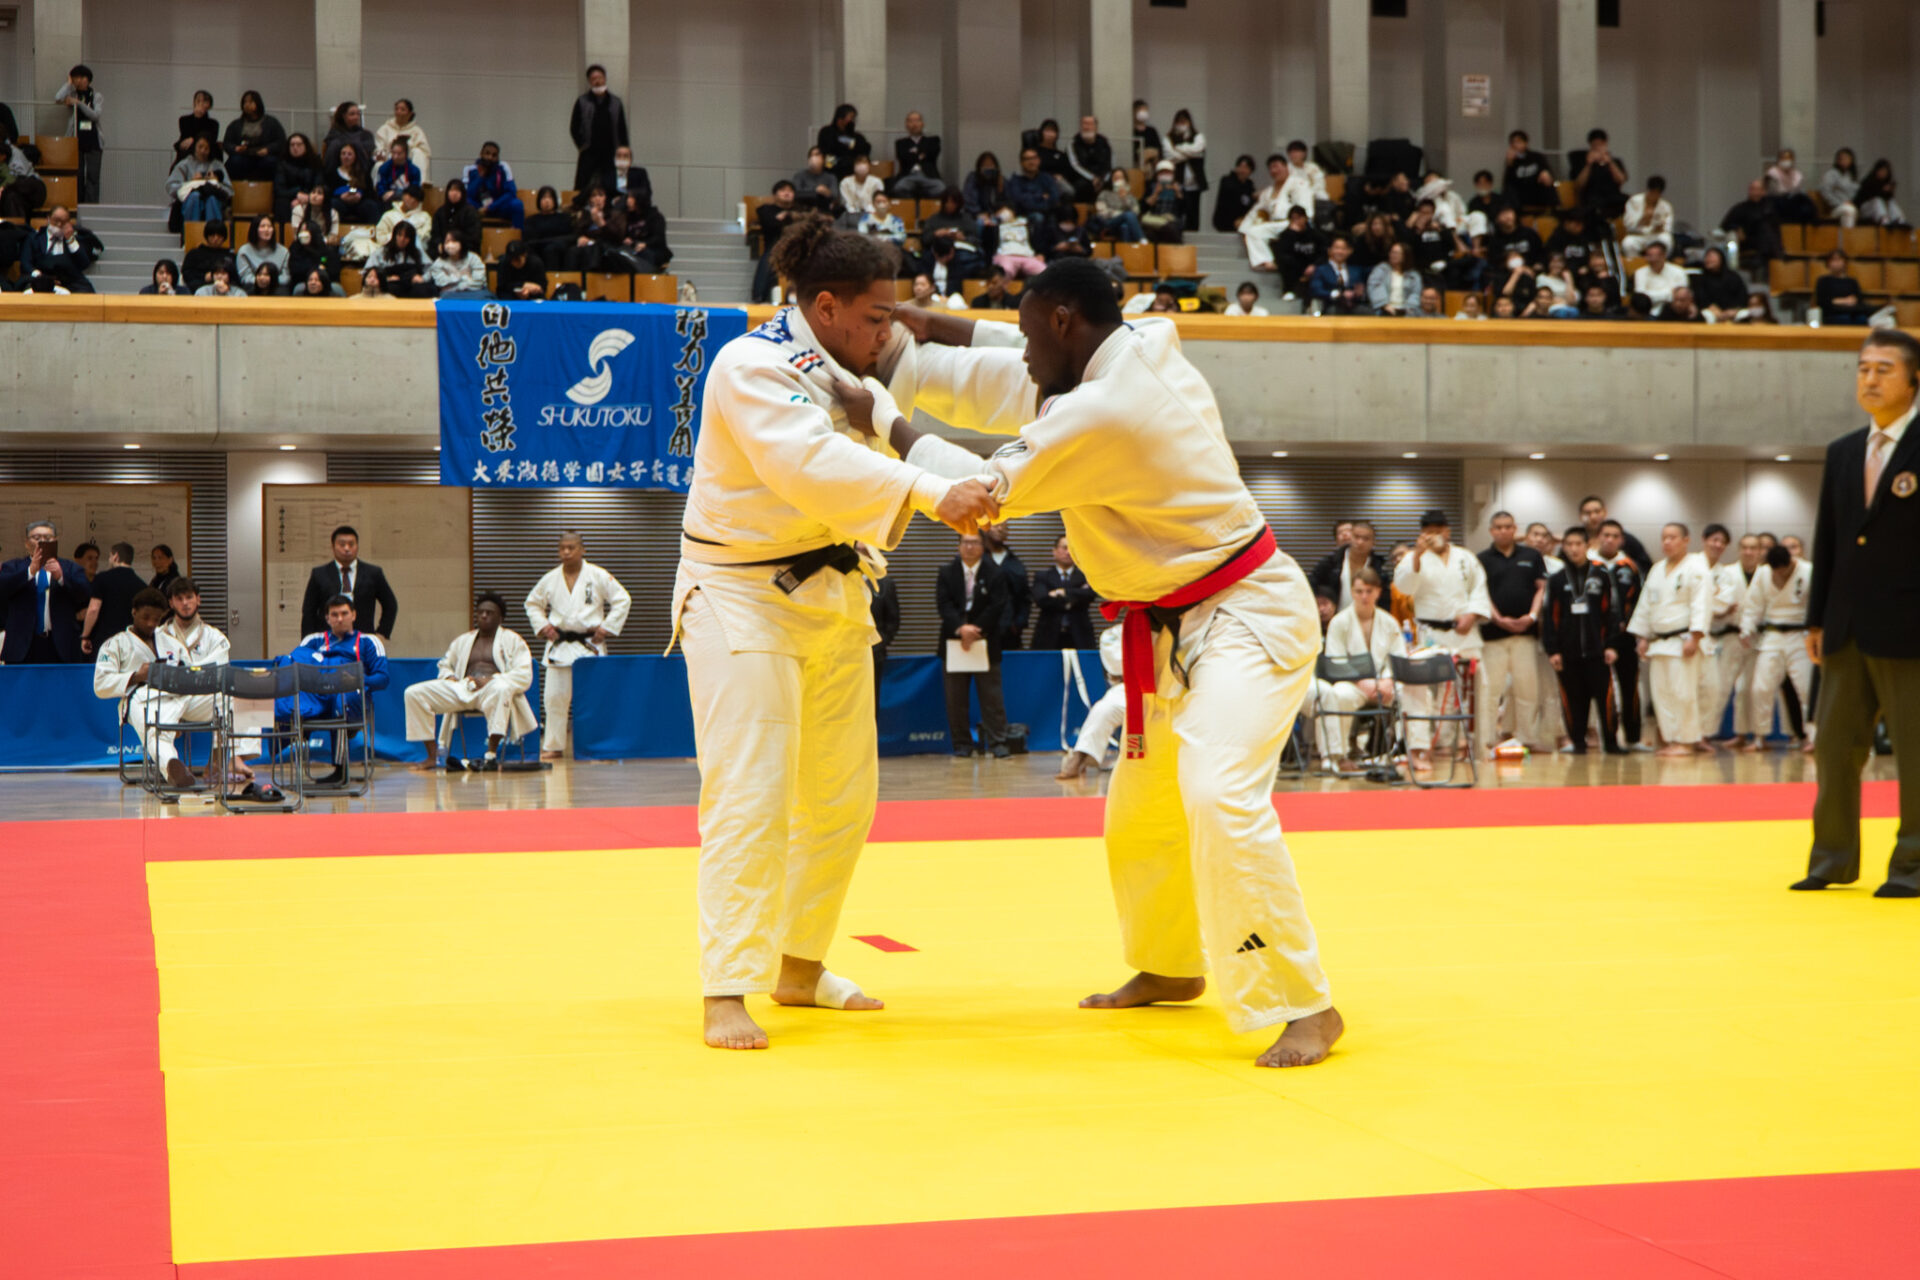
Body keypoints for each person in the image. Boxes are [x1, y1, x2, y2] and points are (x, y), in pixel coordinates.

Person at [851, 257, 1345, 1068]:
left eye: (1029, 335)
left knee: (1218, 793)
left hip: (1243, 616)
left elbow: (978, 493)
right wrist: (937, 329)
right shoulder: (1136, 342)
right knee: (1142, 811)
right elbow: (1004, 363)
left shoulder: (1105, 410)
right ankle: (1170, 963)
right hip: (1171, 628)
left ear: (1062, 324)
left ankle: (1305, 1004)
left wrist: (881, 418)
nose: (1021, 355)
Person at [672, 214, 999, 1052]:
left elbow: (901, 443)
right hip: (740, 596)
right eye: (876, 316)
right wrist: (930, 494)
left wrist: (993, 483)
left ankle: (799, 965)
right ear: (825, 307)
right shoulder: (749, 366)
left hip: (830, 593)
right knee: (750, 792)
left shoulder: (851, 375)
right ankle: (725, 987)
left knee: (843, 799)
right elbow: (810, 466)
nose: (888, 332)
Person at [1798, 331, 1920, 896]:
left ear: (1914, 379)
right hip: (1846, 625)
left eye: (1883, 369)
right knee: (1834, 747)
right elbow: (1829, 538)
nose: (1870, 379)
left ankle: (1912, 865)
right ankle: (1832, 860)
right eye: (1863, 369)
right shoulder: (1844, 450)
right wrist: (1817, 617)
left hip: (1910, 626)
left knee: (1915, 753)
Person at [1393, 508, 1492, 769]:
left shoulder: (1465, 558)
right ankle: (1427, 745)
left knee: (1475, 689)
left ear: (1447, 531)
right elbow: (1404, 586)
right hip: (1431, 635)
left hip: (1464, 633)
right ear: (1421, 533)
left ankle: (1471, 743)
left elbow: (1479, 589)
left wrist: (1472, 614)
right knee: (1428, 693)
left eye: (1438, 530)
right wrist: (1416, 555)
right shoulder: (1413, 557)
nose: (1434, 536)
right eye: (1428, 531)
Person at [523, 530, 629, 762]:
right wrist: (543, 626)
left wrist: (607, 627)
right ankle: (554, 745)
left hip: (589, 645)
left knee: (596, 699)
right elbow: (532, 603)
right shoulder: (551, 578)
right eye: (562, 548)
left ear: (582, 549)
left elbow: (622, 599)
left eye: (571, 548)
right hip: (560, 645)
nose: (566, 552)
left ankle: (598, 745)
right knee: (554, 699)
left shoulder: (597, 575)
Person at [404, 592, 537, 771]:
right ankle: (431, 756)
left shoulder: (513, 640)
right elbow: (445, 664)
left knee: (502, 687)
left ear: (500, 618)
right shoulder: (463, 640)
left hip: (492, 690)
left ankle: (491, 755)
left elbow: (524, 674)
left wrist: (491, 679)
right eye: (480, 612)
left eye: (489, 613)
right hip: (463, 688)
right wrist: (449, 676)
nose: (484, 616)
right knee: (413, 693)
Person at [1627, 522, 1713, 756]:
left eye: (1672, 537)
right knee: (1662, 694)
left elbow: (1701, 603)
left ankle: (1686, 740)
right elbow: (1646, 605)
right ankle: (1671, 738)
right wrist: (1642, 637)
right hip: (1659, 642)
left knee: (1683, 693)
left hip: (1683, 639)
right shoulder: (1657, 569)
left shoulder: (1697, 567)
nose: (1667, 542)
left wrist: (1695, 636)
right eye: (1664, 538)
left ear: (1686, 540)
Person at [1539, 526, 1624, 754]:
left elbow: (1612, 612)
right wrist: (1553, 650)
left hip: (1598, 651)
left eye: (1578, 544)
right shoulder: (1557, 579)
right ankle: (1578, 742)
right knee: (1573, 700)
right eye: (1569, 544)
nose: (1573, 549)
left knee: (1606, 699)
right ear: (1563, 547)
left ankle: (1611, 743)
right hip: (1568, 652)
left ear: (1587, 546)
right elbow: (1550, 617)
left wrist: (1612, 645)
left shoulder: (1601, 575)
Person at [1311, 567, 1404, 770]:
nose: (1364, 596)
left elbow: (1398, 658)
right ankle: (1337, 755)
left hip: (1385, 684)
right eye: (1359, 591)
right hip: (1353, 684)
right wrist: (1362, 681)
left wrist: (1387, 681)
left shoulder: (1389, 622)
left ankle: (1414, 751)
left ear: (1378, 592)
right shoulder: (1339, 622)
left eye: (1369, 591)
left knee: (1413, 690)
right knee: (1337, 694)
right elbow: (1336, 661)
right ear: (1352, 592)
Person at [1477, 511, 1548, 753]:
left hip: (1525, 634)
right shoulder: (1482, 559)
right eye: (1498, 527)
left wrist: (1532, 616)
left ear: (1515, 529)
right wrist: (1498, 618)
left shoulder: (1532, 555)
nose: (1503, 531)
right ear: (1491, 531)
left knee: (1528, 689)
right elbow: (1480, 593)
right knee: (1491, 690)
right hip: (1493, 635)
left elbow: (1541, 588)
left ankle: (1528, 738)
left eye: (1508, 526)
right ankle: (1487, 739)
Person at [937, 531, 1013, 758]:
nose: (969, 547)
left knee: (992, 697)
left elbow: (997, 605)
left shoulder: (996, 573)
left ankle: (998, 742)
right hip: (954, 641)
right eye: (965, 542)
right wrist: (961, 628)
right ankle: (962, 744)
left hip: (986, 641)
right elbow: (943, 605)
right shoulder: (946, 572)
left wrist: (976, 629)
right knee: (956, 699)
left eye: (974, 542)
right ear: (958, 546)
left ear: (983, 546)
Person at [1739, 544, 1814, 754]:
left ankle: (1813, 736)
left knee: (1805, 689)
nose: (1779, 574)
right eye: (1776, 571)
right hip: (1772, 636)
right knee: (1760, 688)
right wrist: (1746, 629)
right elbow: (1753, 605)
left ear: (1791, 562)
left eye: (1783, 570)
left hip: (1800, 635)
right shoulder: (1763, 573)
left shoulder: (1808, 571)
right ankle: (1760, 737)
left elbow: (1817, 604)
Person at [0, 519, 90, 663]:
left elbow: (85, 594)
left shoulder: (70, 568)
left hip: (61, 643)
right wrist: (30, 571)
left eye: (47, 538)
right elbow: (3, 588)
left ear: (55, 541)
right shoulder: (13, 566)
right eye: (36, 538)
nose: (42, 542)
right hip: (22, 644)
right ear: (26, 543)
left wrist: (61, 577)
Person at [299, 525, 396, 640]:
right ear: (333, 547)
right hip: (327, 640)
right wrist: (308, 641)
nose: (346, 548)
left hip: (363, 638)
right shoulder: (319, 574)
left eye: (351, 544)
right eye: (342, 544)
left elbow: (390, 605)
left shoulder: (373, 573)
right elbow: (308, 611)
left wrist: (381, 635)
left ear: (357, 546)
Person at [1241, 154, 1316, 271]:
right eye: (1271, 168)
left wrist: (1301, 222)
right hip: (1276, 225)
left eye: (1276, 166)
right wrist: (1243, 228)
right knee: (1252, 231)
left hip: (1294, 222)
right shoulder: (1268, 191)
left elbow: (1305, 207)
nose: (1274, 171)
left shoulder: (1299, 183)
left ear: (1286, 167)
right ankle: (1266, 262)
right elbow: (1255, 211)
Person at [569, 64, 630, 192]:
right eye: (593, 79)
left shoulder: (616, 102)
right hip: (589, 151)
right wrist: (582, 146)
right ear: (589, 81)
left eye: (600, 78)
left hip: (612, 151)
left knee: (617, 186)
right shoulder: (582, 101)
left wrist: (623, 150)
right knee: (582, 186)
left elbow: (622, 129)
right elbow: (574, 127)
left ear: (605, 79)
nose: (597, 81)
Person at [78, 541, 145, 658]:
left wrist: (85, 635)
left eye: (110, 556)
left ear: (115, 556)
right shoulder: (142, 585)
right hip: (130, 641)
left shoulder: (102, 578)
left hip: (104, 640)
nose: (109, 560)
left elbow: (93, 609)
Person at [1030, 534, 1096, 649]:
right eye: (1065, 548)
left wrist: (1062, 592)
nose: (1068, 552)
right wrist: (1073, 598)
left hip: (1080, 635)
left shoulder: (1086, 576)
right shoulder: (1043, 576)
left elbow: (1090, 595)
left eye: (1072, 549)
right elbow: (1041, 599)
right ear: (1054, 551)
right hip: (1048, 635)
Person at [1308, 519, 1387, 611]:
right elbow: (1311, 584)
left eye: (1366, 539)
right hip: (1336, 615)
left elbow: (1385, 600)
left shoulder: (1379, 568)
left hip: (1368, 616)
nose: (1360, 542)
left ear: (1373, 542)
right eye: (1356, 537)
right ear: (1351, 537)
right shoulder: (1331, 562)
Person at [53, 65, 102, 204]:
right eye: (75, 78)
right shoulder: (72, 94)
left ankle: (91, 206)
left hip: (93, 140)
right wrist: (68, 84)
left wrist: (78, 103)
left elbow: (95, 115)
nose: (79, 81)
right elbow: (57, 98)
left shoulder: (96, 96)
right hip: (76, 139)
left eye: (81, 77)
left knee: (93, 176)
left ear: (88, 79)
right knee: (77, 175)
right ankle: (78, 204)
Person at [979, 520, 1030, 650]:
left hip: (1009, 632)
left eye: (1005, 527)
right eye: (997, 525)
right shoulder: (977, 559)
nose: (1000, 529)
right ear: (985, 528)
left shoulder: (1015, 562)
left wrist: (1018, 624)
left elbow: (1024, 597)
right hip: (980, 630)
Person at [21, 206, 96, 293]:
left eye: (64, 222)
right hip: (41, 279)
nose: (59, 224)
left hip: (68, 281)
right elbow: (25, 263)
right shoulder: (34, 238)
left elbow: (84, 263)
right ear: (48, 219)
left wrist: (70, 240)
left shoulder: (74, 239)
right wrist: (39, 275)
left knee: (86, 291)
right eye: (56, 220)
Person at [222, 90, 285, 182]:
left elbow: (281, 141)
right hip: (243, 156)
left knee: (271, 162)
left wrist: (268, 149)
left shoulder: (271, 122)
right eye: (245, 102)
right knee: (234, 161)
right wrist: (236, 148)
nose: (247, 105)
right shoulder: (236, 124)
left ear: (258, 103)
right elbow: (227, 143)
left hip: (264, 156)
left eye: (250, 102)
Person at [1578, 495, 1651, 574]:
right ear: (1580, 516)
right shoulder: (1576, 539)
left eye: (1597, 511)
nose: (1593, 516)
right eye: (1588, 513)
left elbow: (1645, 566)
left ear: (1604, 512)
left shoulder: (1626, 539)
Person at [1162, 109, 1207, 231]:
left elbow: (1198, 150)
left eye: (1184, 121)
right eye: (1179, 122)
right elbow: (1170, 156)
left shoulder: (1198, 136)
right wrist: (1190, 153)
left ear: (1189, 122)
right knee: (1177, 213)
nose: (1181, 124)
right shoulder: (1169, 138)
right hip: (1177, 183)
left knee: (1193, 214)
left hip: (1194, 184)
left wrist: (1179, 148)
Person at [1722, 179, 1784, 266]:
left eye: (1757, 189)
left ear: (1763, 192)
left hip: (1767, 242)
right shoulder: (1740, 208)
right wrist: (1736, 229)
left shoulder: (1770, 209)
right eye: (1752, 189)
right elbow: (1725, 225)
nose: (1755, 192)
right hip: (1748, 241)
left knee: (1766, 230)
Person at [463, 142, 525, 229]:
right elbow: (468, 195)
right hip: (478, 208)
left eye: (494, 155)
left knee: (517, 204)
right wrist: (480, 178)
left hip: (498, 206)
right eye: (487, 153)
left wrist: (490, 207)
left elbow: (511, 192)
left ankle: (517, 235)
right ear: (481, 154)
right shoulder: (469, 169)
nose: (490, 157)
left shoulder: (503, 167)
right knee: (463, 203)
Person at [1571, 127, 1628, 218]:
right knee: (1595, 206)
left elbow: (1621, 180)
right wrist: (1589, 165)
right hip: (1592, 197)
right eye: (1595, 145)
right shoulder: (1582, 162)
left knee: (1630, 201)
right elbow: (1578, 184)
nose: (1598, 148)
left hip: (1613, 196)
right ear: (1590, 146)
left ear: (1606, 144)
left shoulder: (1615, 161)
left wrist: (1610, 163)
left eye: (1601, 145)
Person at [1309, 235, 1369, 315]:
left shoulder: (1356, 270)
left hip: (1353, 305)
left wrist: (1358, 293)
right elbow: (1316, 290)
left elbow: (1360, 289)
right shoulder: (1321, 270)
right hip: (1331, 305)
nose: (1340, 252)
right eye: (1337, 248)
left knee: (1367, 312)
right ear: (1329, 250)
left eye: (1344, 249)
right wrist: (1337, 294)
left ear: (1350, 251)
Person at [369, 218, 430, 296]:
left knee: (422, 289)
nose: (402, 239)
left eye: (406, 237)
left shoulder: (418, 253)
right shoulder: (381, 252)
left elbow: (431, 269)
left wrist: (423, 278)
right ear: (394, 235)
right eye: (399, 235)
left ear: (411, 239)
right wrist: (386, 279)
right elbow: (368, 272)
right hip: (390, 285)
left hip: (412, 285)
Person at [892, 111, 944, 199]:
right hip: (908, 176)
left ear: (922, 123)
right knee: (898, 189)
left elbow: (932, 153)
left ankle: (924, 201)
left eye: (917, 120)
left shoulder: (933, 141)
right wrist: (921, 155)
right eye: (911, 121)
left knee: (941, 189)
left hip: (928, 176)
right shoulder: (900, 143)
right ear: (906, 125)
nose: (914, 124)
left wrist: (913, 154)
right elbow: (903, 157)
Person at [374, 99, 432, 179]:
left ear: (410, 113)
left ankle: (418, 184)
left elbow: (425, 151)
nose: (399, 112)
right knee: (378, 165)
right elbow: (379, 148)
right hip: (389, 161)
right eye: (397, 109)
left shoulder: (417, 131)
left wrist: (408, 147)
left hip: (409, 164)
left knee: (418, 153)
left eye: (402, 110)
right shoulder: (385, 129)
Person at [273, 132, 324, 222]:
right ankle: (284, 229)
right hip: (290, 197)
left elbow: (319, 184)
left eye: (299, 144)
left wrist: (308, 197)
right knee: (281, 202)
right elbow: (279, 189)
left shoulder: (315, 162)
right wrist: (297, 194)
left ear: (305, 146)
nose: (295, 147)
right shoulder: (282, 164)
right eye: (292, 145)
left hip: (311, 196)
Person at [1502, 129, 1557, 211]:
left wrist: (1545, 174)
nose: (1515, 145)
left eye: (1518, 142)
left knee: (1547, 182)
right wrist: (1509, 164)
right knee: (1510, 192)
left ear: (1525, 143)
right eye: (1513, 142)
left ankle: (1554, 210)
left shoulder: (1536, 157)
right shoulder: (1512, 162)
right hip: (1521, 194)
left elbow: (1548, 173)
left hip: (1538, 190)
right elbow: (1508, 183)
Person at [1619, 177, 1674, 257]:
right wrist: (1642, 220)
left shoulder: (1666, 206)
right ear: (1648, 190)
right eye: (1652, 192)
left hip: (1655, 236)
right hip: (1637, 235)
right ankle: (1635, 262)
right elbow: (1627, 225)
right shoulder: (1634, 201)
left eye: (1657, 193)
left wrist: (1660, 228)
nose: (1654, 195)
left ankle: (1660, 261)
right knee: (1628, 243)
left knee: (1666, 240)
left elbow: (1668, 228)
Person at [1815, 250, 1872, 326]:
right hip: (1832, 314)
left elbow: (1859, 299)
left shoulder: (1852, 281)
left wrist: (1853, 300)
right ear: (1828, 263)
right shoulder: (1823, 281)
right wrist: (1842, 301)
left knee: (1862, 318)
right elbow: (1821, 301)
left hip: (1852, 312)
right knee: (1844, 318)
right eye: (1833, 260)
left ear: (1845, 262)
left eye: (1839, 259)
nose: (1837, 263)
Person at [329, 141, 380, 224]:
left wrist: (359, 196)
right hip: (340, 202)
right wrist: (341, 197)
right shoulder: (332, 173)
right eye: (343, 154)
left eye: (349, 154)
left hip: (360, 203)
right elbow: (329, 192)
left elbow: (370, 192)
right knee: (333, 204)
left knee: (371, 205)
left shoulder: (363, 173)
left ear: (355, 157)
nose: (346, 157)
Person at [430, 177, 482, 256]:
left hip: (465, 251)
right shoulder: (440, 212)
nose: (454, 193)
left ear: (462, 193)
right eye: (451, 190)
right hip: (443, 251)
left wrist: (457, 245)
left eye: (457, 190)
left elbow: (474, 237)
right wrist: (441, 244)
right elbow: (435, 234)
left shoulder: (470, 212)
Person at [816, 103, 870, 178]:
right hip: (831, 172)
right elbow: (828, 154)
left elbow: (865, 148)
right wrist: (849, 148)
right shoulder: (827, 132)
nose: (853, 121)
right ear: (840, 118)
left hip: (853, 174)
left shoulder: (857, 136)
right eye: (851, 117)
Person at [1091, 168, 1145, 243]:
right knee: (1128, 215)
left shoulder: (1130, 196)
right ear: (1112, 180)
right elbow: (1101, 212)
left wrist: (1125, 199)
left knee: (1125, 226)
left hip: (1124, 224)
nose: (1118, 180)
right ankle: (1142, 240)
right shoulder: (1104, 194)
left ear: (1125, 180)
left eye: (1121, 178)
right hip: (1109, 222)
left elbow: (1136, 212)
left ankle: (1127, 249)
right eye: (1116, 178)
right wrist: (1122, 215)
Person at [1367, 242, 1419, 317]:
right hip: (1384, 310)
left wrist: (1409, 308)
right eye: (1392, 252)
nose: (1394, 255)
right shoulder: (1381, 270)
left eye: (1397, 253)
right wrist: (1385, 305)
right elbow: (1375, 286)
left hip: (1406, 311)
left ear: (1405, 255)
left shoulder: (1413, 275)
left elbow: (1415, 294)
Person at [322, 102, 376, 174]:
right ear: (343, 116)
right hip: (336, 173)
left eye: (358, 114)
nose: (356, 117)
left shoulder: (366, 135)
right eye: (352, 114)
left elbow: (368, 155)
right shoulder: (333, 135)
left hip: (361, 174)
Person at [430, 231, 488, 296]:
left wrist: (457, 285)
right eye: (447, 242)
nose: (450, 244)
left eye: (454, 241)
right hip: (451, 296)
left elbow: (479, 281)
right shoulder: (439, 262)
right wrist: (465, 278)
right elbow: (441, 283)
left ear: (462, 243)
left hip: (475, 294)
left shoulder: (473, 258)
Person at [1854, 159, 1906, 227]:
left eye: (1885, 171)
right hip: (1866, 209)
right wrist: (1881, 190)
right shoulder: (1868, 181)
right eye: (1881, 170)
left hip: (1878, 208)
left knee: (1891, 202)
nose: (1883, 173)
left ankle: (1900, 220)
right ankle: (1884, 220)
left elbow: (1887, 199)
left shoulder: (1887, 183)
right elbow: (1864, 198)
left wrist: (1888, 191)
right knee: (1877, 201)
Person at [237, 216, 288, 283]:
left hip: (277, 286)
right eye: (262, 226)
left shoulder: (283, 251)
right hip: (253, 286)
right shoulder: (244, 251)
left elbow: (286, 277)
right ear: (255, 229)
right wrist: (262, 282)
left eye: (269, 226)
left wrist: (270, 282)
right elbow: (245, 277)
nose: (266, 229)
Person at [374, 137, 422, 207]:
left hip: (407, 202)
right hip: (388, 201)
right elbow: (380, 187)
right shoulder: (384, 168)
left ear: (405, 154)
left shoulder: (414, 170)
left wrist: (396, 193)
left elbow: (415, 190)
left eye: (399, 154)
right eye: (393, 153)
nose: (395, 156)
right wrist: (383, 194)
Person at [791, 147, 838, 214]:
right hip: (803, 210)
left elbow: (835, 195)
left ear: (823, 159)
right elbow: (795, 193)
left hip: (824, 210)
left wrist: (828, 192)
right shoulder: (799, 175)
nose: (814, 158)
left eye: (817, 155)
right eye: (811, 156)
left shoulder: (831, 177)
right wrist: (815, 190)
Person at [1821, 148, 1861, 228]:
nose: (1844, 161)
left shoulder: (1852, 176)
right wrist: (1840, 203)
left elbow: (1857, 192)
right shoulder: (1831, 174)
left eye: (1847, 158)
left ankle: (1847, 234)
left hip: (1852, 206)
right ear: (1838, 160)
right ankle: (1847, 235)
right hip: (1836, 208)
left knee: (1852, 210)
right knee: (1848, 210)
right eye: (1842, 158)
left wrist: (1853, 202)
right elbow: (1825, 192)